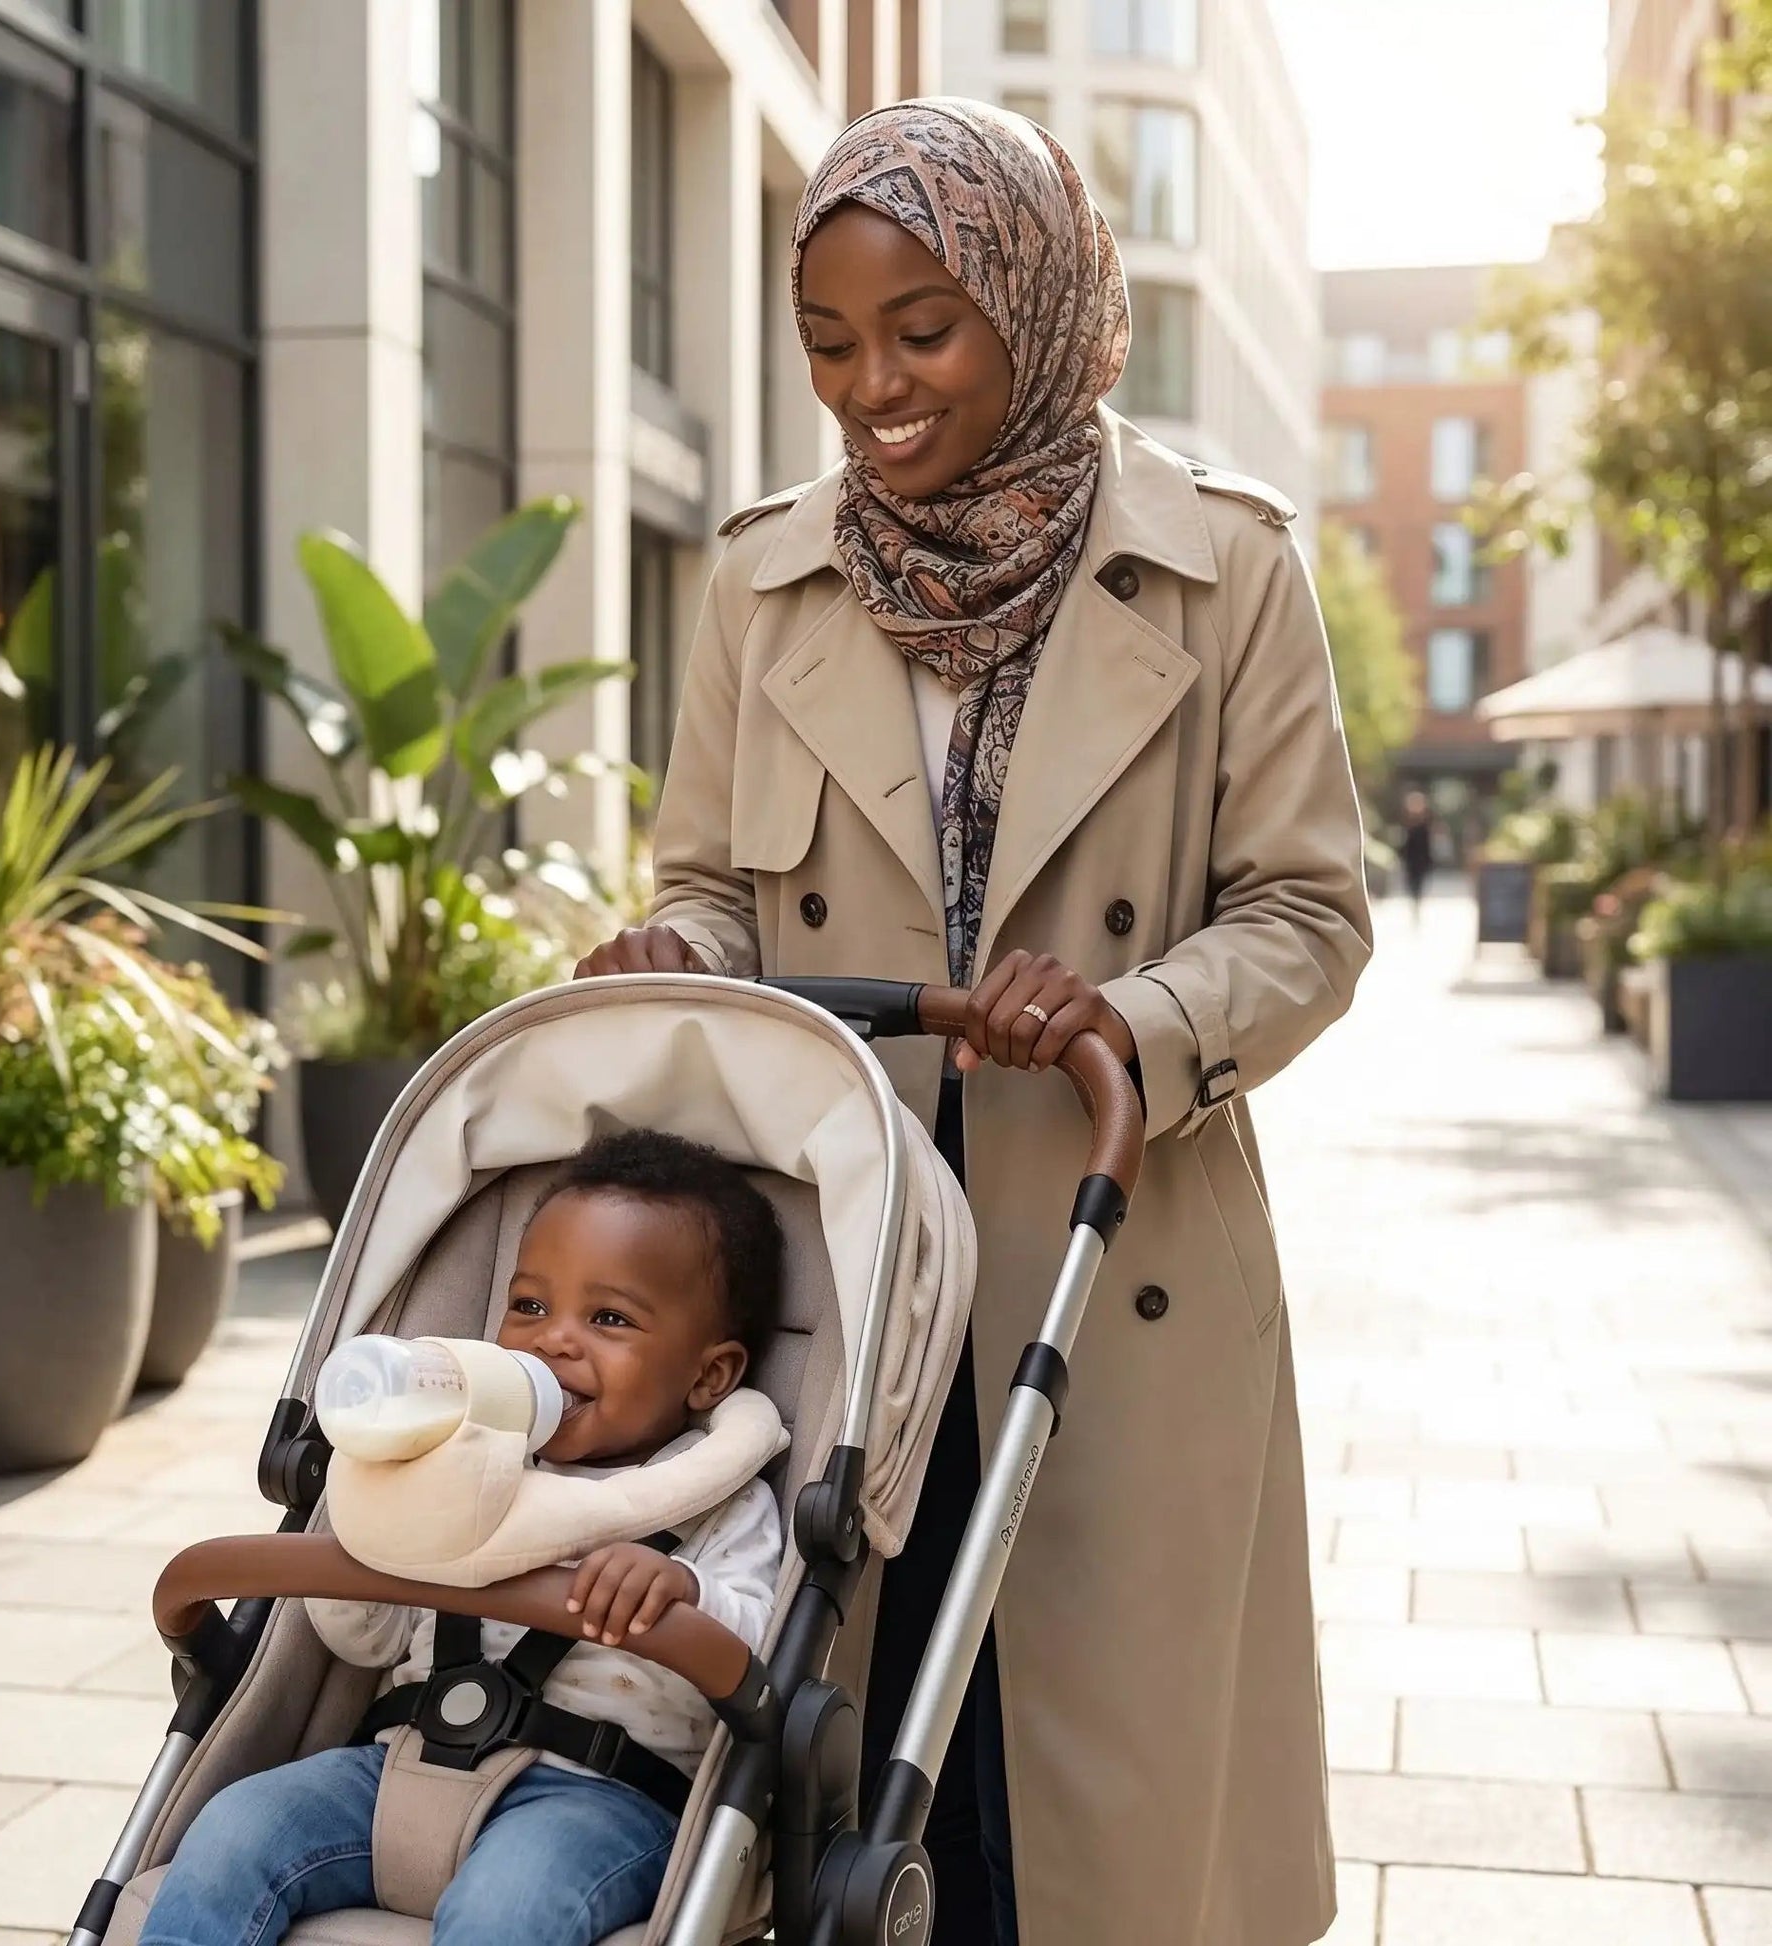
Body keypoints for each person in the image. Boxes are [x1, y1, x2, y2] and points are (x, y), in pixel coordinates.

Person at [575, 101, 1372, 1946]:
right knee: (845, 1759)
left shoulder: (1227, 566)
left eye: (922, 328)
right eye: (833, 345)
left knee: (1085, 1797)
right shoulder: (763, 581)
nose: (875, 388)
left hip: (1114, 1248)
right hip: (840, 1273)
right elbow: (707, 878)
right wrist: (664, 947)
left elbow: (1310, 916)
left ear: (1033, 297)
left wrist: (1135, 1014)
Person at [138, 1130, 786, 1946]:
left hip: (599, 1797)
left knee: (506, 1913)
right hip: (397, 1765)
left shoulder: (714, 1497)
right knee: (235, 1827)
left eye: (610, 1317)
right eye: (530, 1305)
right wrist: (371, 1522)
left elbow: (764, 1655)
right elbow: (367, 1639)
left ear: (708, 1376)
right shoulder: (464, 1464)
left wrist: (685, 1594)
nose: (554, 1339)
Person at [1399, 789, 1436, 918]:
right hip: (1410, 860)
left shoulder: (1426, 822)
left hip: (1422, 860)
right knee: (1411, 884)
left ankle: (1417, 903)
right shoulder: (1407, 822)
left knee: (1419, 885)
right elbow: (1404, 844)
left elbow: (1428, 844)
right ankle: (1415, 904)